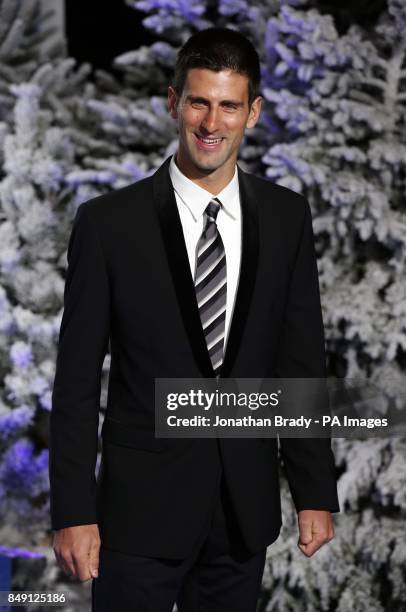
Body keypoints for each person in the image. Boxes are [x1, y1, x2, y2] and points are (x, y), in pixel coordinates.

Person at [49, 27, 340, 612]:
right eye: (200, 102)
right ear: (173, 102)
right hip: (137, 520)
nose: (212, 122)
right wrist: (74, 513)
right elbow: (76, 382)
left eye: (229, 105)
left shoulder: (286, 217)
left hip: (240, 515)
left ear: (252, 112)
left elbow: (299, 360)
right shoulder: (109, 225)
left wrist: (313, 490)